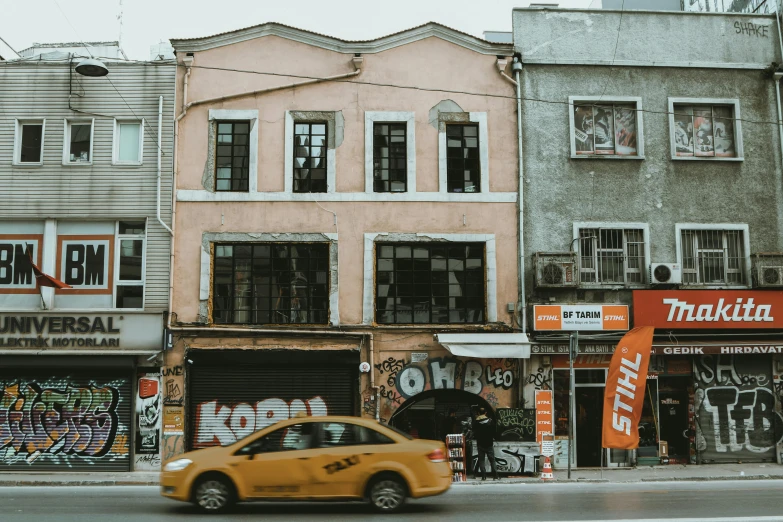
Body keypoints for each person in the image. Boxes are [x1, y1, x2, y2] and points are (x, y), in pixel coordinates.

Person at [473, 407, 498, 481]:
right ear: (485, 413)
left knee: (481, 460)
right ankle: (495, 476)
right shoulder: (490, 421)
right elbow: (494, 432)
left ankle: (483, 476)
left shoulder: (476, 422)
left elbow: (474, 432)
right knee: (492, 460)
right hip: (489, 443)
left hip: (480, 444)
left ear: (478, 413)